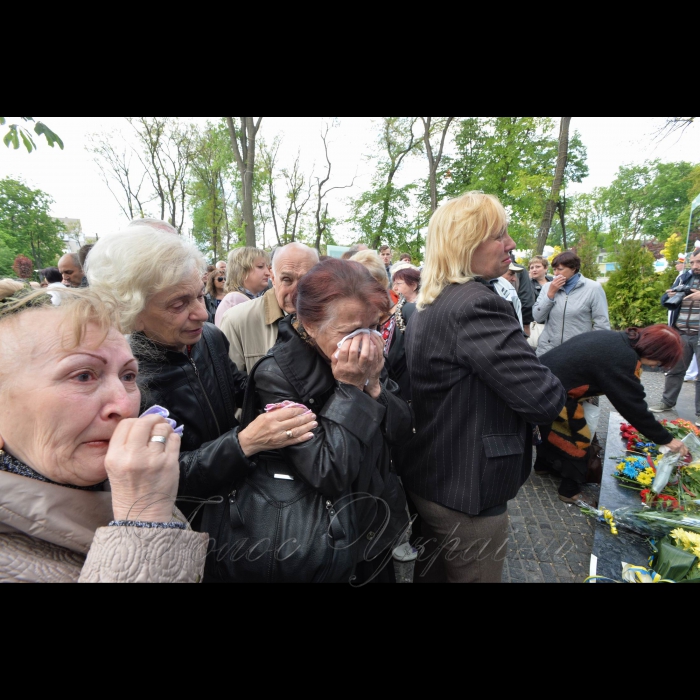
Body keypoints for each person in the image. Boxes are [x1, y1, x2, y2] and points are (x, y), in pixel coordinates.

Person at [86, 226, 316, 577]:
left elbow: (240, 389)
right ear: (129, 309)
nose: (203, 314)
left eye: (198, 296)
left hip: (238, 509)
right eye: (179, 304)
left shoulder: (208, 337)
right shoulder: (123, 379)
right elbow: (164, 478)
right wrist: (244, 443)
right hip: (181, 531)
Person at [404, 192, 567, 584]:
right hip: (467, 490)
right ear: (465, 243)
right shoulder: (476, 304)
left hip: (436, 475)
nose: (511, 244)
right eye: (500, 235)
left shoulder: (433, 300)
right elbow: (542, 398)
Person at [0, 282, 208, 583]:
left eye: (128, 375)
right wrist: (142, 525)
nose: (124, 405)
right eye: (83, 375)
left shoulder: (124, 482)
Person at [243, 259, 412, 583]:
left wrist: (375, 388)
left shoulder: (366, 354)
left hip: (374, 523)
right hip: (319, 538)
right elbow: (328, 471)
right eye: (349, 332)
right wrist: (350, 390)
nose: (364, 343)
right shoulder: (276, 374)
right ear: (308, 325)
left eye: (373, 328)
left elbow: (402, 431)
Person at [537, 325, 688, 503]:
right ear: (655, 352)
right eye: (661, 362)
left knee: (554, 430)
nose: (658, 367)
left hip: (541, 380)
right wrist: (666, 439)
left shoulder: (618, 340)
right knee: (577, 440)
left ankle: (543, 466)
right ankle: (569, 492)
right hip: (553, 391)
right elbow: (632, 405)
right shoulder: (623, 357)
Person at [219, 243, 319, 375]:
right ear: (273, 277)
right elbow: (231, 387)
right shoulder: (236, 321)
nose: (296, 291)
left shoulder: (334, 318)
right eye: (287, 279)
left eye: (306, 280)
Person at [352, 251, 416, 401]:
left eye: (371, 288)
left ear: (382, 285)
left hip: (406, 404)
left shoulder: (408, 313)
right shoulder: (356, 325)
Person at [652, 248, 700, 422]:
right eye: (693, 262)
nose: (695, 266)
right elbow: (665, 301)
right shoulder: (683, 277)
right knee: (675, 370)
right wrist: (669, 295)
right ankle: (667, 402)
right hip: (681, 333)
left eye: (699, 262)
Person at [533, 251, 610, 357]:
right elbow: (537, 317)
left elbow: (602, 324)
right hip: (547, 350)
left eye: (560, 269)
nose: (555, 274)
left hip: (577, 351)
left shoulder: (593, 288)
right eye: (554, 269)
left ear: (573, 269)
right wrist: (550, 294)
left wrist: (590, 347)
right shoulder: (548, 287)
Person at [215, 247, 271, 327]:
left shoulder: (250, 298)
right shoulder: (234, 300)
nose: (268, 273)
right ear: (242, 271)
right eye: (260, 266)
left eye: (267, 267)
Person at [494, 263, 524, 329]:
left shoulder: (510, 288)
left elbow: (517, 309)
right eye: (511, 274)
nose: (514, 279)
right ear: (499, 272)